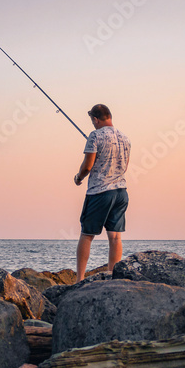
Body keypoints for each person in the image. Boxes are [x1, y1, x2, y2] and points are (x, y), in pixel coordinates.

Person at [73, 104, 131, 282]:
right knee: (115, 236)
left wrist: (78, 177)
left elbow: (87, 166)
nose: (93, 124)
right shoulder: (125, 138)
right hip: (121, 192)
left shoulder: (95, 136)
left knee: (87, 234)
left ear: (96, 119)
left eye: (93, 121)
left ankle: (80, 279)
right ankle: (113, 276)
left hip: (100, 192)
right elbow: (125, 165)